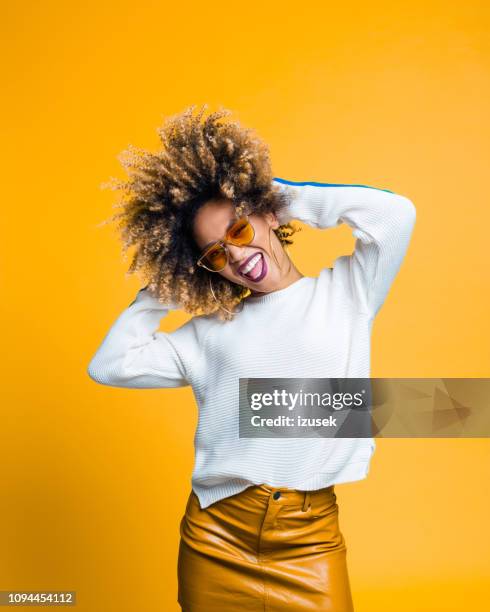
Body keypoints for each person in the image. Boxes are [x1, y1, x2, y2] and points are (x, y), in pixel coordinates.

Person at [87, 104, 416, 611]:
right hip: (215, 535)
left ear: (268, 217)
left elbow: (395, 215)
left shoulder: (347, 292)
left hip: (309, 539)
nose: (236, 255)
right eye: (215, 253)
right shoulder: (209, 334)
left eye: (240, 231)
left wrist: (284, 196)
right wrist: (164, 290)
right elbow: (109, 365)